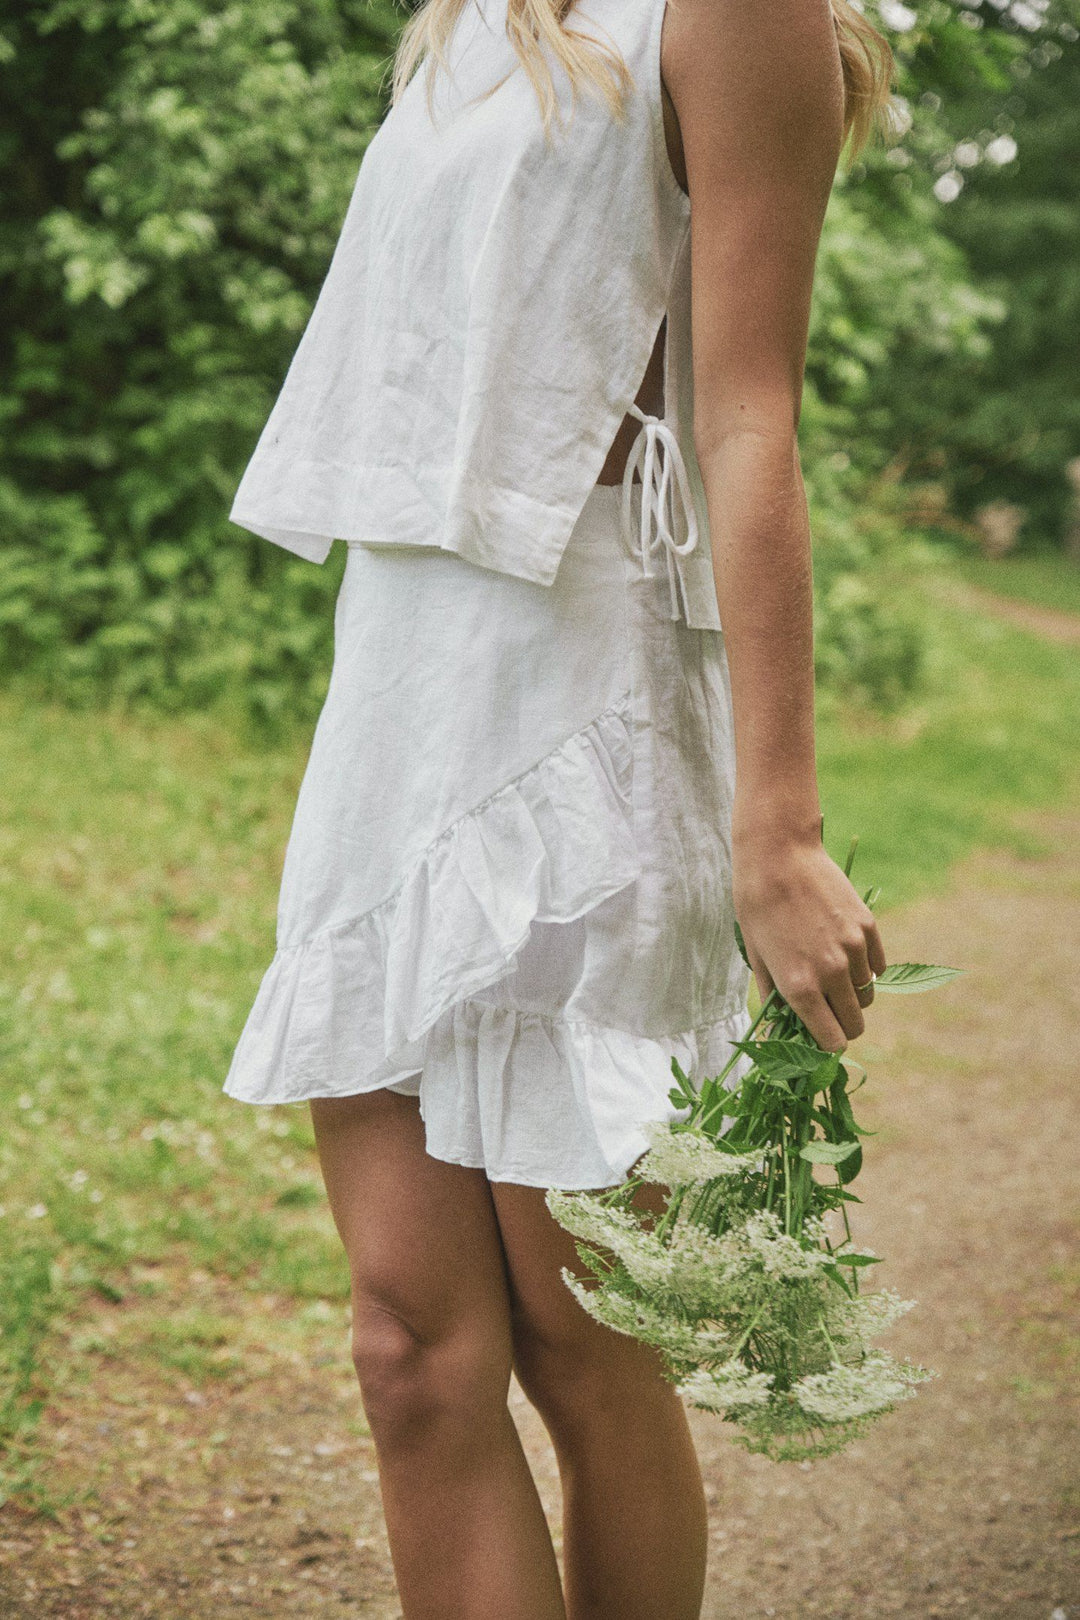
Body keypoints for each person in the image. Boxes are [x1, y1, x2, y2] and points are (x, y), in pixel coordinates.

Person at [223, 1, 892, 1614]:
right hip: (400, 687)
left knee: (585, 1344)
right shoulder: (469, 14)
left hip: (581, 701)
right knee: (409, 1352)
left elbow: (746, 418)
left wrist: (778, 825)